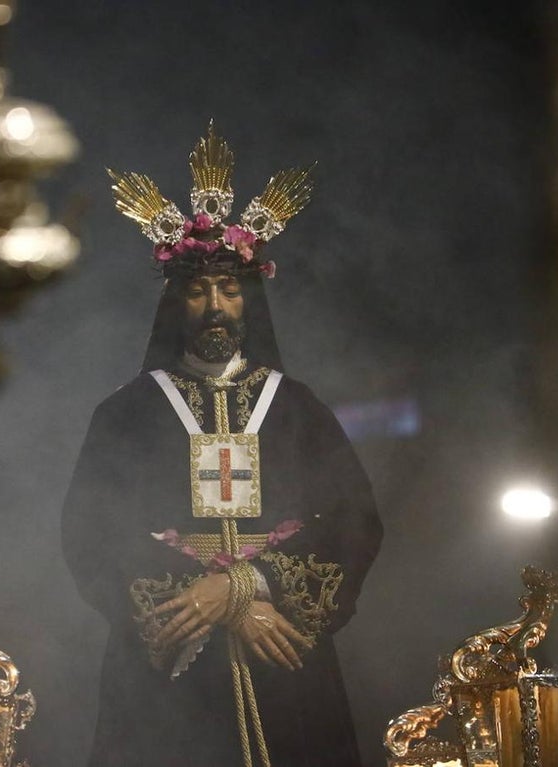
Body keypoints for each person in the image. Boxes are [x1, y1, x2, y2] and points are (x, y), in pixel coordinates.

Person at [62, 124, 383, 767]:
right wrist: (197, 598)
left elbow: (355, 523)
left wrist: (249, 586)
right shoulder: (127, 413)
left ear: (250, 301)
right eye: (198, 289)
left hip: (281, 648)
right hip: (171, 667)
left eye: (229, 290)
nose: (214, 305)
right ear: (174, 301)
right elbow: (90, 531)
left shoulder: (297, 410)